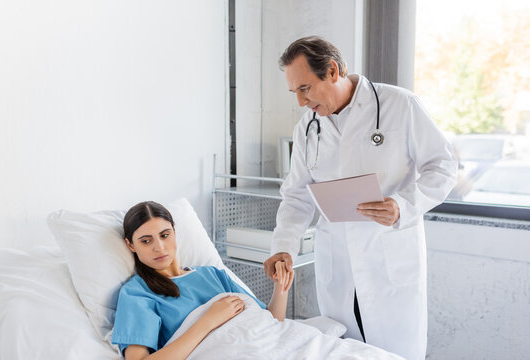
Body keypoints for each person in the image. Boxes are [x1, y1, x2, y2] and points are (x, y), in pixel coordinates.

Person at [263, 36, 458, 360]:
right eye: (294, 91)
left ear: (332, 71)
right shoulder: (308, 128)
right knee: (342, 350)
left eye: (305, 88)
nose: (300, 102)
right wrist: (283, 246)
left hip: (389, 258)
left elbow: (444, 166)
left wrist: (403, 206)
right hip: (338, 262)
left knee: (395, 352)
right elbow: (297, 196)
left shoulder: (400, 105)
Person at [112, 201, 293, 360]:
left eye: (165, 235)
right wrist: (208, 321)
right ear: (130, 245)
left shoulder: (213, 274)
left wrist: (281, 285)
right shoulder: (137, 293)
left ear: (174, 233)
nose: (159, 247)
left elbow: (270, 322)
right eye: (145, 241)